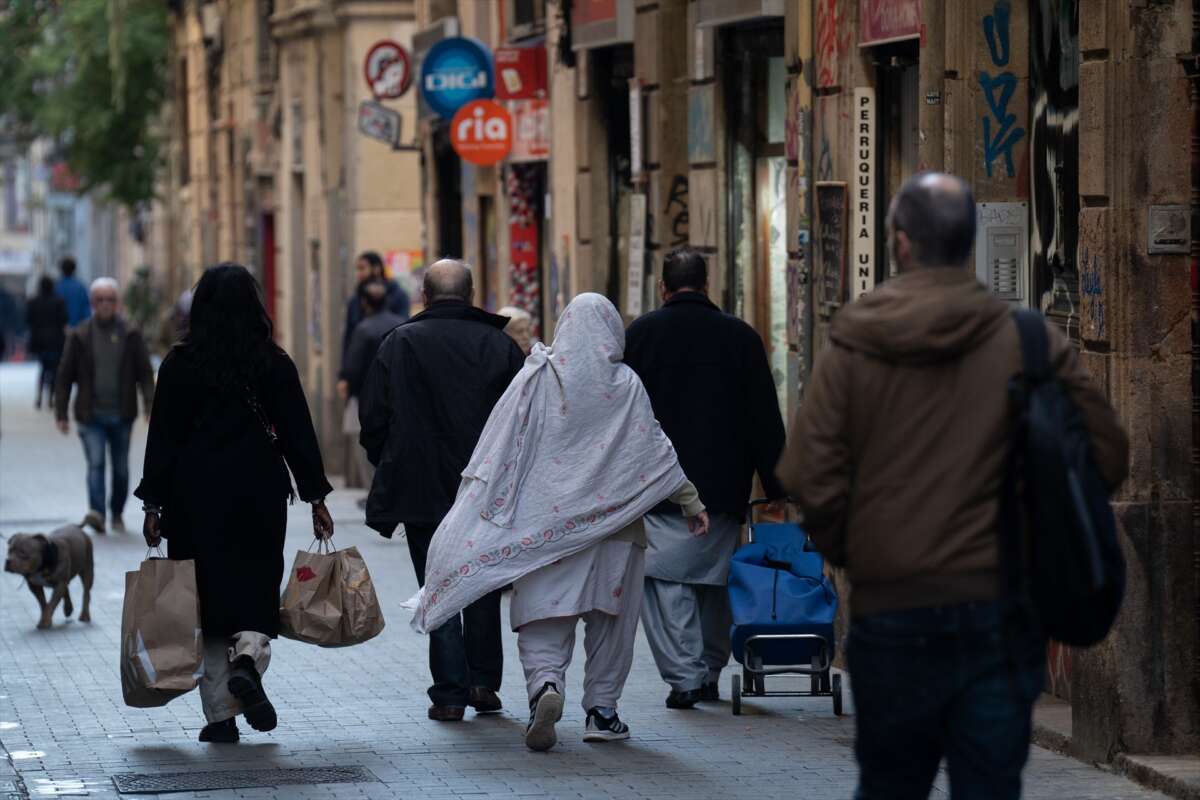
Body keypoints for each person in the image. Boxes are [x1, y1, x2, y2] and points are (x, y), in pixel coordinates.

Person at [776, 172, 1130, 800]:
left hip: (891, 612)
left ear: (901, 243)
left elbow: (808, 475)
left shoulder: (855, 345)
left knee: (890, 785)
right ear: (968, 245)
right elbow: (1105, 454)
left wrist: (856, 553)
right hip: (999, 610)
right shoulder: (1027, 341)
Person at [412, 293, 710, 752]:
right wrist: (690, 502)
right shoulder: (625, 384)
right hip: (617, 530)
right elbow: (650, 449)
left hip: (543, 531)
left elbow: (501, 446)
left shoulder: (536, 379)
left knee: (543, 619)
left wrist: (484, 508)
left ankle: (546, 687)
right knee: (612, 625)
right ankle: (602, 712)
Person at [135, 263, 334, 744]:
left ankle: (220, 717)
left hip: (194, 499)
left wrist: (153, 505)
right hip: (258, 495)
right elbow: (297, 434)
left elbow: (162, 439)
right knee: (254, 594)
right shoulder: (273, 361)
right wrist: (316, 496)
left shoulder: (180, 365)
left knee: (207, 604)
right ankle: (248, 660)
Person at [359, 258, 524, 722]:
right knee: (484, 582)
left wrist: (392, 463)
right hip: (486, 493)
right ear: (471, 296)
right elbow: (522, 424)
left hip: (421, 491)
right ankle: (483, 681)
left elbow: (373, 419)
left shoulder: (400, 343)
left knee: (437, 586)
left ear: (425, 298)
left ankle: (450, 692)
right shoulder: (500, 346)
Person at [623, 246, 786, 708]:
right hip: (723, 484)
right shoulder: (740, 337)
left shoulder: (641, 335)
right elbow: (763, 418)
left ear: (663, 287)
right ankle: (710, 668)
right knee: (713, 581)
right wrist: (776, 485)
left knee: (665, 581)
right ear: (707, 284)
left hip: (657, 486)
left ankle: (685, 675)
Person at [54, 278, 155, 535]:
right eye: (99, 299)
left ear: (118, 303)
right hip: (90, 413)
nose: (105, 304)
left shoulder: (130, 334)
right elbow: (64, 376)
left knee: (121, 469)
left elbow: (145, 372)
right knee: (96, 463)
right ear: (92, 303)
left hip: (122, 412)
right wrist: (61, 413)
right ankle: (97, 513)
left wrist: (149, 405)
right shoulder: (79, 335)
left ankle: (117, 512)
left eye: (110, 299)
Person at [338, 278, 404, 497]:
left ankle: (375, 491)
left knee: (362, 444)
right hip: (399, 394)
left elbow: (353, 367)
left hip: (365, 396)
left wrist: (347, 386)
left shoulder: (363, 329)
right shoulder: (403, 323)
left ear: (365, 303)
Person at [342, 251, 410, 365]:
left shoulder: (398, 296)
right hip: (362, 366)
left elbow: (402, 329)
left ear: (376, 268)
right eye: (357, 269)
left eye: (362, 268)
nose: (358, 274)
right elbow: (348, 338)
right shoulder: (355, 301)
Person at [25, 276, 68, 410]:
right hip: (56, 341)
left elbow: (28, 319)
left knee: (43, 369)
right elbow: (65, 318)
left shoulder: (34, 301)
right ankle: (50, 398)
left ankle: (39, 397)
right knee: (54, 370)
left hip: (39, 341)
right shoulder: (59, 301)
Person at [56, 257, 91, 326]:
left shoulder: (56, 287)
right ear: (74, 269)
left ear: (61, 269)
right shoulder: (80, 287)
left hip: (60, 330)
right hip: (78, 329)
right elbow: (86, 311)